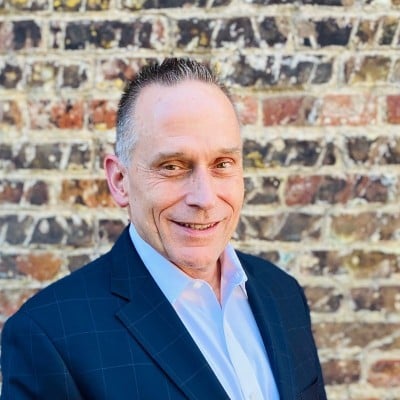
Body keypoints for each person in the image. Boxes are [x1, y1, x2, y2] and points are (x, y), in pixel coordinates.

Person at [0, 58, 326, 400]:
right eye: (172, 166)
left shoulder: (282, 293)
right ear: (120, 180)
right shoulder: (50, 337)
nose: (205, 198)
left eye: (222, 164)